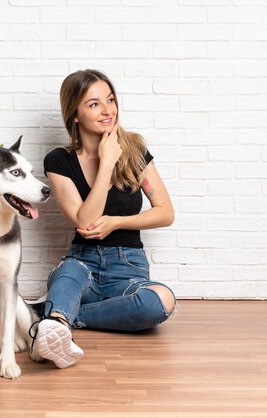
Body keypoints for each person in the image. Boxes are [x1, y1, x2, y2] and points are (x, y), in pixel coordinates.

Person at [31, 69, 176, 369]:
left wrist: (117, 222)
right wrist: (107, 164)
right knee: (68, 275)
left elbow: (165, 212)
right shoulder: (59, 161)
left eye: (110, 100)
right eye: (94, 103)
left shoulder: (135, 151)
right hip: (82, 262)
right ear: (74, 114)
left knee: (162, 300)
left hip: (129, 266)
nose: (107, 110)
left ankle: (60, 316)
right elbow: (84, 222)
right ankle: (58, 317)